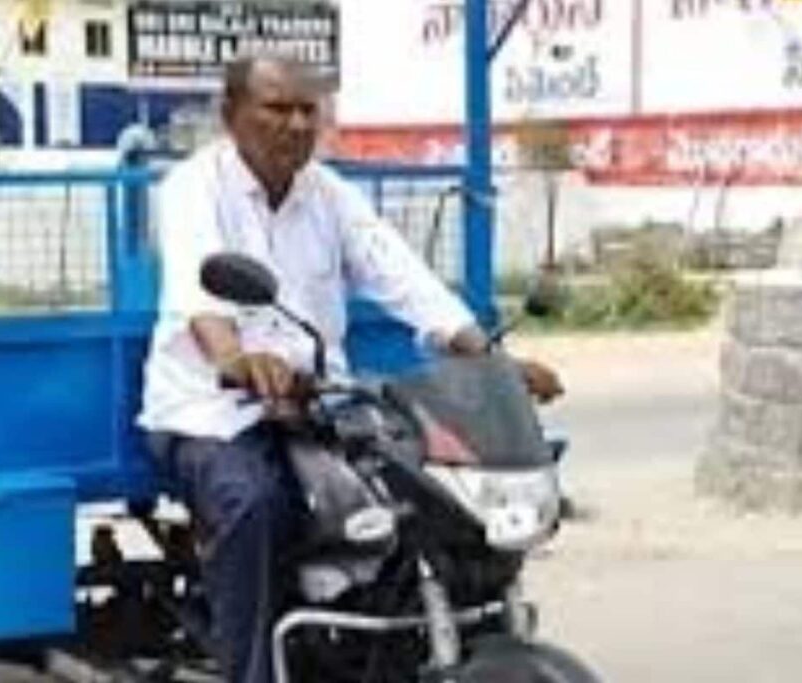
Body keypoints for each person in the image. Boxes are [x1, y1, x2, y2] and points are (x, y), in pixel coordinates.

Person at [138, 55, 563, 683]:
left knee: (416, 500)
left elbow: (402, 276)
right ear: (232, 116)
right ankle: (252, 670)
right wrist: (235, 359)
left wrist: (490, 356)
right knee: (254, 505)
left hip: (317, 406)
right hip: (211, 412)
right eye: (276, 109)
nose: (295, 125)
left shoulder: (328, 194)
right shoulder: (193, 189)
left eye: (308, 110)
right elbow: (199, 296)